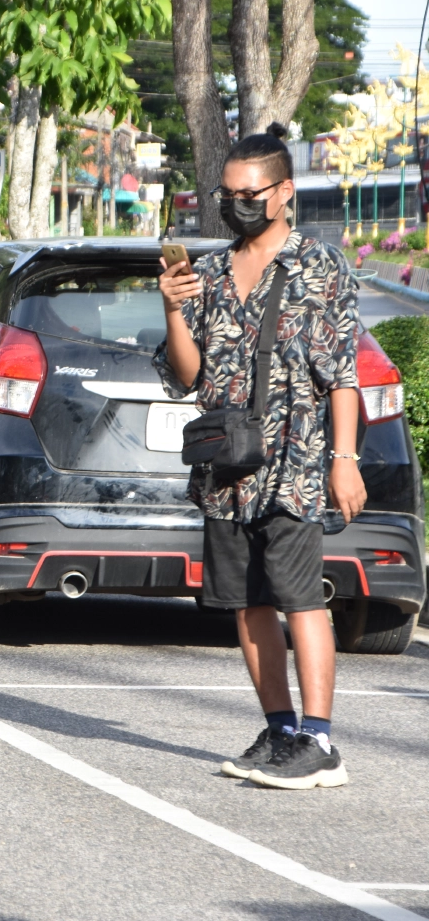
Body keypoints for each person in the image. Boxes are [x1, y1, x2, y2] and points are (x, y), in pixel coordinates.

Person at [154, 122, 364, 791]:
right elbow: (188, 376)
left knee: (300, 598)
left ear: (283, 192)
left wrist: (345, 458)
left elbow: (343, 374)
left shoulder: (318, 267)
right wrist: (173, 310)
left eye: (250, 194)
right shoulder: (211, 272)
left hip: (295, 462)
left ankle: (319, 741)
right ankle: (279, 729)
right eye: (228, 194)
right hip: (226, 465)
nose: (237, 205)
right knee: (247, 603)